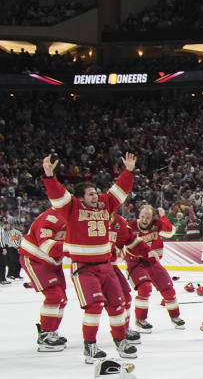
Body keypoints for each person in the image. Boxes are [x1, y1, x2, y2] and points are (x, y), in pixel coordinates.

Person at [42, 153, 138, 363]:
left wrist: (128, 172)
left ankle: (120, 340)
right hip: (84, 268)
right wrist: (49, 176)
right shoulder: (71, 208)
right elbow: (58, 194)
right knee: (94, 306)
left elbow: (120, 191)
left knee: (117, 304)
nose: (95, 196)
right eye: (90, 194)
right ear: (81, 197)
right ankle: (90, 346)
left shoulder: (105, 204)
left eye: (96, 193)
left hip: (106, 266)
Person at [124, 205, 184, 332]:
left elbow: (170, 232)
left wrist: (163, 216)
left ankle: (175, 317)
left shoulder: (157, 224)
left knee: (168, 289)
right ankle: (140, 320)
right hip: (135, 262)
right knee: (145, 288)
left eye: (148, 217)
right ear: (138, 216)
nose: (145, 220)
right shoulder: (130, 226)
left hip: (153, 262)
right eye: (142, 217)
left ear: (152, 218)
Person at [18, 208, 69, 351]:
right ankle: (45, 335)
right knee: (55, 296)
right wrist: (74, 248)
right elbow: (46, 245)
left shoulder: (75, 216)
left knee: (62, 298)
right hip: (36, 258)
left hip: (53, 261)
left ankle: (51, 331)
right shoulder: (52, 217)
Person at [107, 212, 140, 344]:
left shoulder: (118, 221)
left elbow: (128, 239)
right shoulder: (88, 219)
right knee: (109, 303)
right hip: (98, 267)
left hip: (112, 266)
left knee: (125, 296)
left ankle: (124, 328)